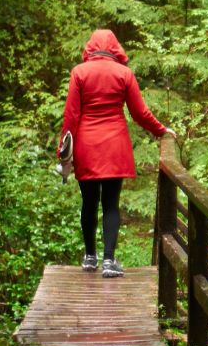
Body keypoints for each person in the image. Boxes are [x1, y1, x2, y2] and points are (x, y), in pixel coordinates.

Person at [62, 29, 175, 278]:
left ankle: (90, 257)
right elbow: (139, 112)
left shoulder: (79, 73)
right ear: (115, 48)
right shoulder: (124, 74)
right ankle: (109, 261)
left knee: (89, 202)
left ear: (91, 47)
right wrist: (160, 130)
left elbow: (71, 115)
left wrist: (63, 151)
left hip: (87, 145)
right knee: (111, 204)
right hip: (114, 145)